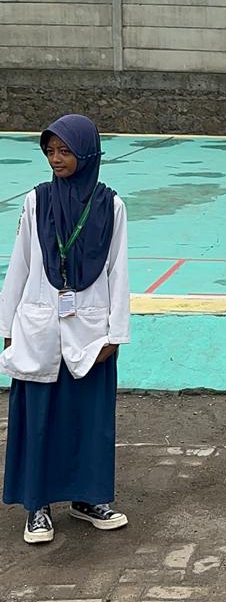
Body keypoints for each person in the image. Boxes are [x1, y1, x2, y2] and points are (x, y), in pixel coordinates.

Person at [0, 115, 130, 544]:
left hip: (90, 332)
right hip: (38, 328)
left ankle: (88, 498)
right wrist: (7, 326)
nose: (56, 159)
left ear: (87, 153)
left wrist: (115, 333)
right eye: (50, 151)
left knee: (88, 420)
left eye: (65, 151)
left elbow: (118, 272)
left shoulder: (111, 206)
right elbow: (19, 265)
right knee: (39, 419)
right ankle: (37, 506)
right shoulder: (36, 201)